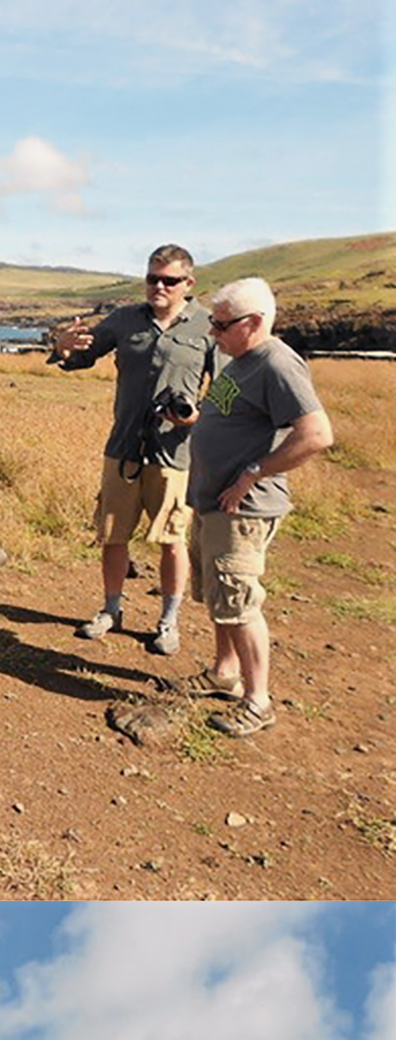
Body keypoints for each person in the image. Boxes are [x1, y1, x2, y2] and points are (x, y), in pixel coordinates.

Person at [186, 277, 333, 736]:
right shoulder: (241, 360)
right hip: (213, 502)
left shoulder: (277, 363)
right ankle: (223, 672)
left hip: (242, 510)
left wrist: (252, 472)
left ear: (252, 323)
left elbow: (316, 435)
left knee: (239, 601)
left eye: (221, 324)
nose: (213, 332)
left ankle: (257, 701)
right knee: (219, 596)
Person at [49, 245, 214, 654]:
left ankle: (168, 621)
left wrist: (198, 416)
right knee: (113, 535)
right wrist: (63, 345)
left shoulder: (209, 326)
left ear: (188, 284)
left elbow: (229, 385)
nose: (159, 286)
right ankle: (111, 610)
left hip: (175, 453)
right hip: (123, 447)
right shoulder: (125, 320)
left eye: (169, 280)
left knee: (172, 539)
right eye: (152, 278)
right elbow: (78, 358)